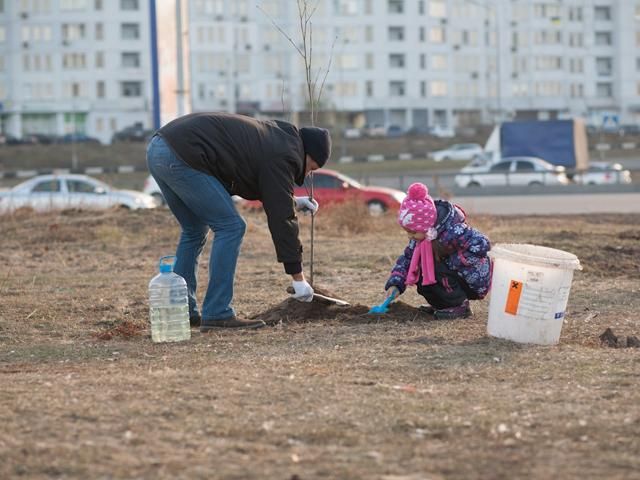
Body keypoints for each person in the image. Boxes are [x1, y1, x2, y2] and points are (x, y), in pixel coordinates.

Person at [146, 112, 332, 331]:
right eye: (312, 168)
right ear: (308, 153)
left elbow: (252, 174)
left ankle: (183, 310)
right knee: (231, 226)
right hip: (184, 155)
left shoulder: (277, 139)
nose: (308, 175)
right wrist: (298, 278)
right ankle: (218, 313)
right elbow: (282, 219)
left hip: (160, 148)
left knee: (194, 230)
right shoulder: (285, 154)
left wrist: (291, 200)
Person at [383, 182, 492, 319]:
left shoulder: (453, 231)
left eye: (413, 232)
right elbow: (407, 260)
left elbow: (482, 244)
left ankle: (459, 306)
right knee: (422, 272)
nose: (410, 236)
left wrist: (456, 261)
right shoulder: (420, 239)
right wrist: (396, 284)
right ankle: (442, 305)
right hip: (452, 276)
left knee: (436, 268)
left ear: (426, 226)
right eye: (407, 232)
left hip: (473, 279)